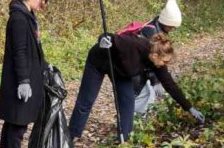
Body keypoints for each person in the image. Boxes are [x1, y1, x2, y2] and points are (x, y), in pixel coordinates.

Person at [68, 31, 204, 141]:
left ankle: (123, 139)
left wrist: (189, 107)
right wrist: (103, 40)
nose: (165, 64)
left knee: (127, 102)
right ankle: (72, 135)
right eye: (165, 61)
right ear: (156, 55)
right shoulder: (133, 44)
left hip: (120, 71)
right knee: (87, 100)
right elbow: (108, 36)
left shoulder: (157, 63)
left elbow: (170, 85)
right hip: (99, 60)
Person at [0, 0, 48, 148]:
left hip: (28, 72)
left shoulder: (28, 16)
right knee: (19, 116)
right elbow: (19, 51)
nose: (42, 5)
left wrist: (44, 66)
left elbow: (33, 47)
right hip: (20, 76)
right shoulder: (18, 18)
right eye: (41, 0)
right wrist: (24, 81)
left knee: (14, 116)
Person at [118, 0, 183, 116]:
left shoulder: (157, 27)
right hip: (134, 69)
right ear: (166, 21)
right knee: (144, 95)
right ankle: (130, 121)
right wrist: (156, 81)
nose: (173, 29)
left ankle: (132, 119)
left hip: (139, 69)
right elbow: (153, 60)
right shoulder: (151, 32)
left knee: (147, 95)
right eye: (172, 26)